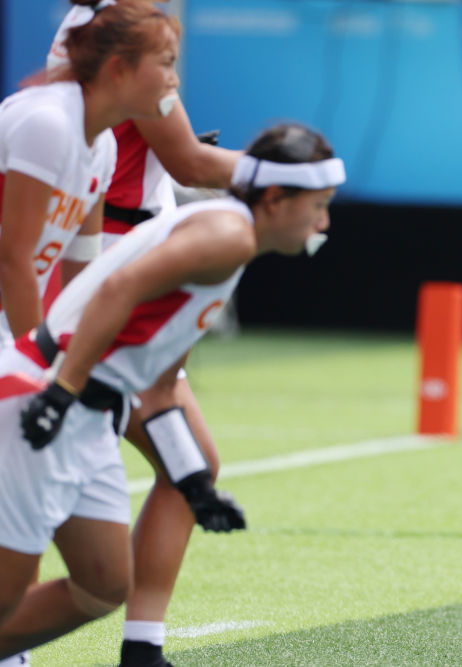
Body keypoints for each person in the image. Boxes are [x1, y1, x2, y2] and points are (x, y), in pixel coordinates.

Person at [0, 122, 342, 661]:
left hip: (92, 414)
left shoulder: (231, 243)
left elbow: (159, 390)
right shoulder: (227, 236)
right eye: (318, 205)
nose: (324, 222)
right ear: (275, 199)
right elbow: (119, 287)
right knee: (7, 593)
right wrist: (61, 392)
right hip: (47, 399)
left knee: (103, 586)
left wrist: (194, 484)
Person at [47, 3, 245, 665]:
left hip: (106, 260)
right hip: (101, 272)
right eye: (165, 64)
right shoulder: (119, 29)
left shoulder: (106, 29)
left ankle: (141, 647)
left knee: (189, 465)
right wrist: (286, 173)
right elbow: (189, 162)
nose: (172, 78)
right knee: (45, 478)